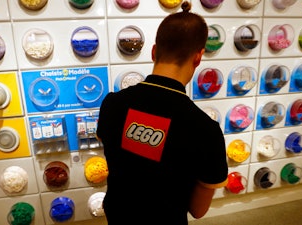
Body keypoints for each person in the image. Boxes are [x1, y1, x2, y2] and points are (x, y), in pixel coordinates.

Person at [96, 1, 228, 224]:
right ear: (198, 57)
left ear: (154, 51)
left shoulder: (112, 103)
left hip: (118, 216)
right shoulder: (205, 129)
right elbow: (198, 209)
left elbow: (117, 157)